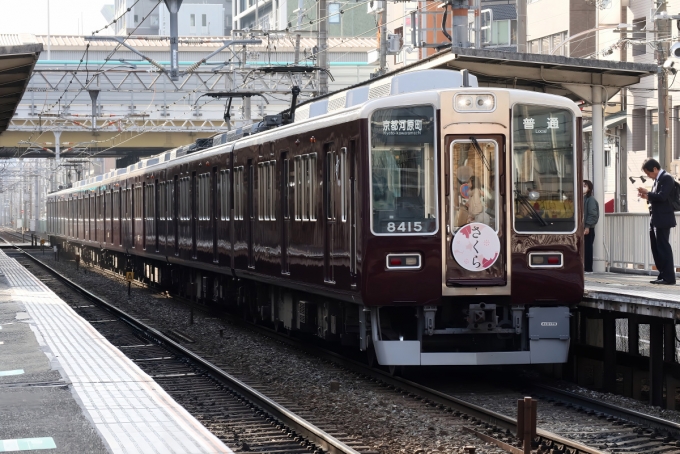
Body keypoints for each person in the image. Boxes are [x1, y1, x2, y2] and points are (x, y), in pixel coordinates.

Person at [637, 158, 676, 285]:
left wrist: (648, 193)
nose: (649, 176)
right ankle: (662, 274)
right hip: (655, 218)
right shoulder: (658, 179)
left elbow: (662, 196)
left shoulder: (667, 178)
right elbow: (657, 198)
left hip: (663, 218)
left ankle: (669, 277)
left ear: (655, 169)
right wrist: (647, 196)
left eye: (649, 173)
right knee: (656, 247)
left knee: (663, 247)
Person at [583, 180, 599, 274]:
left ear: (589, 188)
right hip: (584, 227)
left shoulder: (590, 199)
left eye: (585, 185)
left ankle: (588, 269)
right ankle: (586, 268)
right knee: (585, 248)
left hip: (588, 228)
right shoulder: (583, 198)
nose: (583, 187)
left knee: (587, 248)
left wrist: (587, 226)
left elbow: (593, 214)